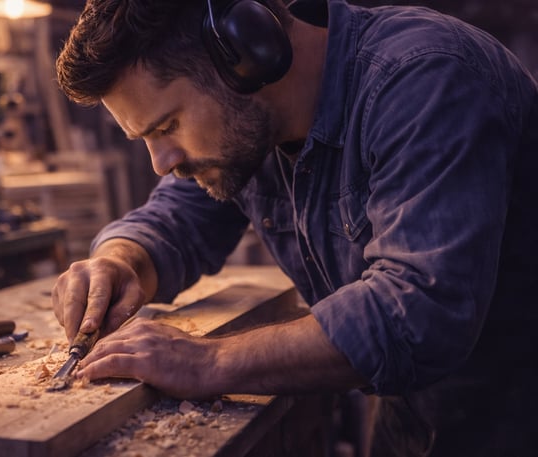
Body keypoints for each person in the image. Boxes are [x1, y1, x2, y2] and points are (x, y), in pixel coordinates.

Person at [51, 0, 538, 455]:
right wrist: (120, 260)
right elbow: (177, 219)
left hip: (513, 418)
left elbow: (418, 313)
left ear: (244, 54)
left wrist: (206, 362)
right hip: (408, 414)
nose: (161, 162)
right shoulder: (252, 127)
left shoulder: (426, 78)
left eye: (166, 127)